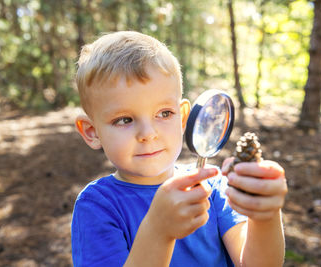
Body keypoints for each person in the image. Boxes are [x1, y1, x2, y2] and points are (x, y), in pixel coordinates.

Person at [71, 31, 288, 267]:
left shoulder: (212, 187)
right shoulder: (98, 206)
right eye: (124, 119)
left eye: (164, 113)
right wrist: (157, 231)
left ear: (183, 117)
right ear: (92, 132)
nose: (148, 134)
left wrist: (265, 216)